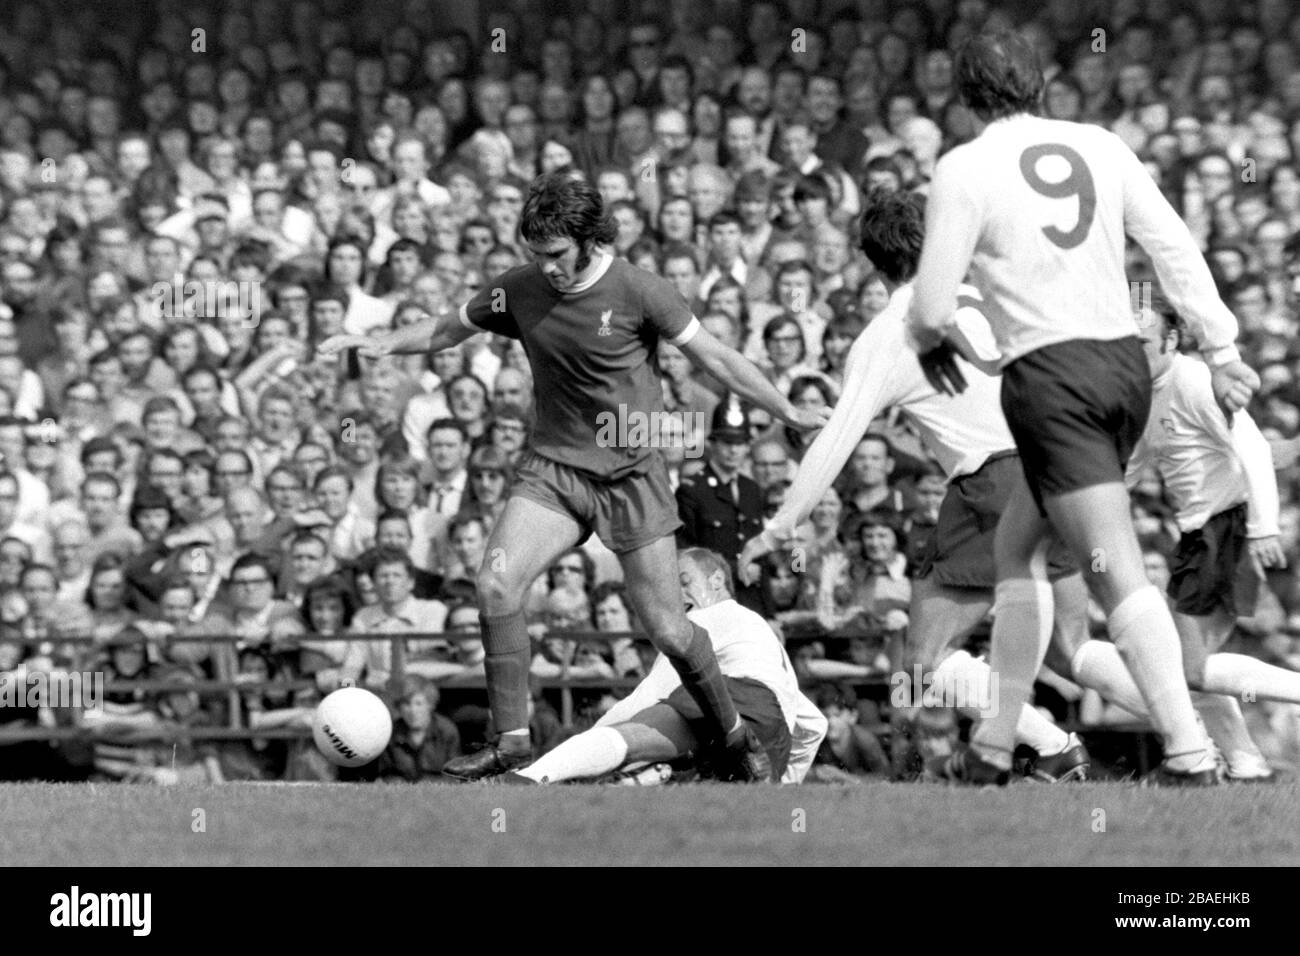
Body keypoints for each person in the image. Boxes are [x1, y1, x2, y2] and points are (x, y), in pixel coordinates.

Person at [320, 172, 827, 781]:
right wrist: (379, 343)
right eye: (535, 255)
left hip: (631, 475)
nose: (547, 268)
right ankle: (510, 742)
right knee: (495, 586)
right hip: (555, 470)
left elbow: (716, 357)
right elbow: (446, 329)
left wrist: (789, 410)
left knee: (668, 628)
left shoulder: (641, 290)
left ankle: (734, 734)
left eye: (556, 255)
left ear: (590, 239)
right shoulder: (521, 288)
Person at [906, 31, 1259, 785]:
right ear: (1040, 84)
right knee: (1017, 548)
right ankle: (996, 744)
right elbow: (1172, 246)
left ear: (964, 98)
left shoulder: (963, 167)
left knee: (1112, 566)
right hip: (1122, 367)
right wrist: (1222, 348)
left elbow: (932, 305)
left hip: (1051, 378)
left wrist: (930, 336)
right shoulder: (1100, 144)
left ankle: (1190, 753)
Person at [739, 189, 1089, 782]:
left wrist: (779, 528)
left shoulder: (893, 330)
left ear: (872, 262)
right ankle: (1196, 736)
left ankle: (1054, 747)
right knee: (1077, 652)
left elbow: (836, 439)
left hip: (996, 482)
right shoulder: (993, 293)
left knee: (924, 661)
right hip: (1063, 467)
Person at [1126, 300, 1300, 780]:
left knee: (1192, 668)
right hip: (1200, 533)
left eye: (1142, 341)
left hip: (1223, 528)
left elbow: (1255, 451)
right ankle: (1246, 764)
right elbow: (1135, 462)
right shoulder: (1145, 391)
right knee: (1189, 667)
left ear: (1172, 339)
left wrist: (1264, 526)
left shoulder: (1195, 379)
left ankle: (1236, 761)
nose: (1132, 351)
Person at [499, 548, 827, 785]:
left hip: (739, 701)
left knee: (629, 738)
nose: (676, 593)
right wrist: (786, 785)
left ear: (717, 581)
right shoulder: (758, 632)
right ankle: (647, 777)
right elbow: (815, 726)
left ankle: (529, 778)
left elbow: (647, 695)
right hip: (769, 728)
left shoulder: (705, 617)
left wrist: (583, 749)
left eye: (684, 581)